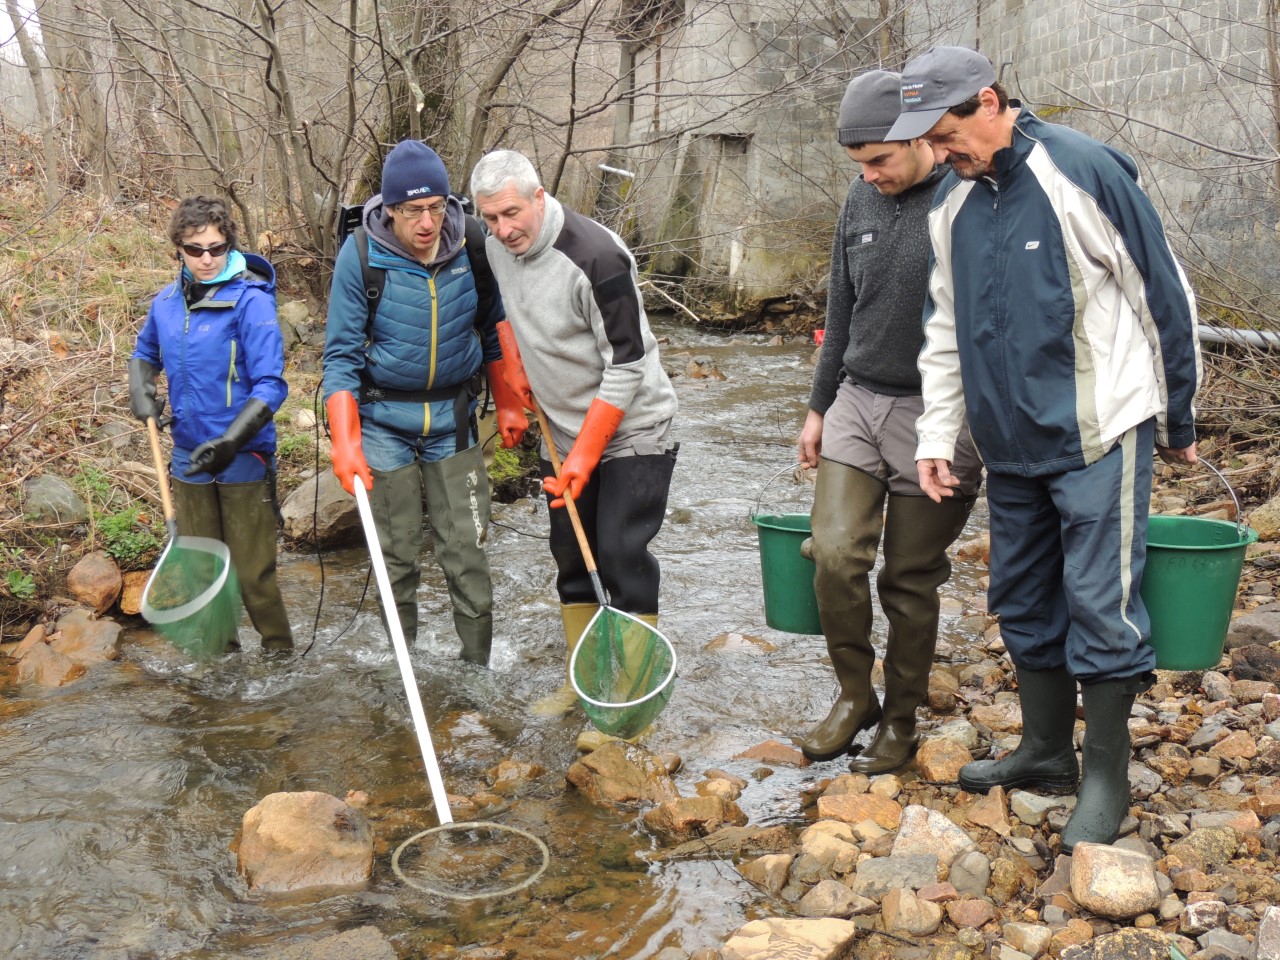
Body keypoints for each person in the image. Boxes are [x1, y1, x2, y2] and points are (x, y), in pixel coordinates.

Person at [886, 46, 1201, 851]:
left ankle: (1106, 779)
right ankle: (1047, 749)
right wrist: (937, 437)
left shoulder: (1082, 171)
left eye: (947, 132)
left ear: (990, 101)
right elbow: (945, 334)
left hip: (1099, 430)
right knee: (1022, 600)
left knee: (1101, 603)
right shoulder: (953, 206)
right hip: (1007, 446)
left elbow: (1161, 292)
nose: (938, 152)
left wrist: (1180, 416)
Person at [797, 70, 983, 772]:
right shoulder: (860, 199)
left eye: (879, 160)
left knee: (908, 577)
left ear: (917, 138)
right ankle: (854, 694)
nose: (869, 176)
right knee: (836, 553)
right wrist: (819, 408)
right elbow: (840, 310)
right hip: (858, 399)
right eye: (859, 164)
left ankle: (900, 720)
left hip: (942, 413)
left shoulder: (967, 197)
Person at [469, 149, 678, 712]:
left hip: (634, 425)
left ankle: (632, 698)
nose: (502, 229)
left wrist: (585, 455)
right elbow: (503, 308)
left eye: (512, 213)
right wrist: (513, 370)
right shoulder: (492, 243)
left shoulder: (598, 257)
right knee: (570, 554)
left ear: (540, 197)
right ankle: (582, 682)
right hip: (559, 429)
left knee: (617, 550)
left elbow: (629, 364)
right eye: (489, 218)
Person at [322, 140, 527, 666]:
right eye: (413, 210)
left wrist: (507, 403)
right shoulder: (362, 256)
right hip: (383, 420)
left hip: (454, 418)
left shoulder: (474, 246)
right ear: (390, 209)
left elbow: (493, 330)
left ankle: (476, 668)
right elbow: (341, 357)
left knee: (467, 549)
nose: (427, 222)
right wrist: (345, 444)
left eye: (436, 207)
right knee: (397, 553)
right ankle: (401, 667)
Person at [129, 195, 292, 650]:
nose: (206, 258)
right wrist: (142, 389)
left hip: (244, 457)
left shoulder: (251, 302)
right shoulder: (165, 304)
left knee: (252, 574)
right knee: (203, 574)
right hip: (188, 458)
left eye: (216, 248)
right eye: (194, 248)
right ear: (178, 249)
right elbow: (144, 353)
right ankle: (220, 672)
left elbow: (271, 384)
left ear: (229, 246)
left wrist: (231, 439)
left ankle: (279, 664)